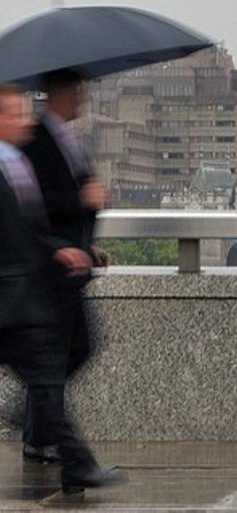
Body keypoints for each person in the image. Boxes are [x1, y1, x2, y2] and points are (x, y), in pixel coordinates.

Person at [0, 83, 121, 493]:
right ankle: (74, 462)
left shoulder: (16, 163)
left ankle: (75, 465)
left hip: (25, 292)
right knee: (46, 381)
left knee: (47, 380)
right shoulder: (15, 160)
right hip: (15, 296)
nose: (24, 122)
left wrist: (69, 249)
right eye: (14, 115)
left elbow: (29, 226)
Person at [19, 69, 108, 463]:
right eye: (78, 89)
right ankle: (39, 428)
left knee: (74, 351)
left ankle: (37, 427)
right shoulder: (37, 139)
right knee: (66, 353)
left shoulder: (68, 139)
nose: (83, 96)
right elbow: (35, 203)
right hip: (52, 268)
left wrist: (92, 245)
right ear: (61, 92)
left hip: (74, 263)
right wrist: (82, 201)